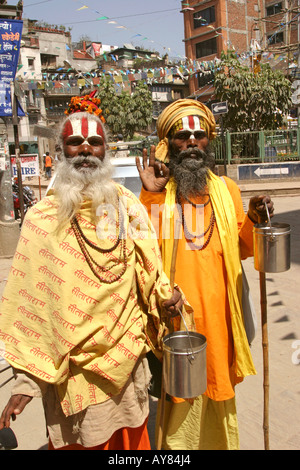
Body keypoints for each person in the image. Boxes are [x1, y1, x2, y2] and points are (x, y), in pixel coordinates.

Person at [0, 92, 192, 450]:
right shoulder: (41, 219)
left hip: (126, 365)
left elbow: (150, 269)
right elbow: (29, 309)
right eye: (75, 142)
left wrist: (167, 297)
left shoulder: (126, 205)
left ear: (105, 150)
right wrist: (26, 383)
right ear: (61, 150)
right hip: (74, 377)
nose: (85, 149)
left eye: (94, 142)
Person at [136, 98, 274, 450]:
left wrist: (257, 221)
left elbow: (242, 247)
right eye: (183, 136)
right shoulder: (159, 193)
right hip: (177, 319)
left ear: (209, 140)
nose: (193, 142)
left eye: (199, 135)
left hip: (222, 319)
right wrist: (150, 196)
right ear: (168, 144)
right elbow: (144, 250)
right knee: (180, 406)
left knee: (218, 391)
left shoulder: (226, 190)